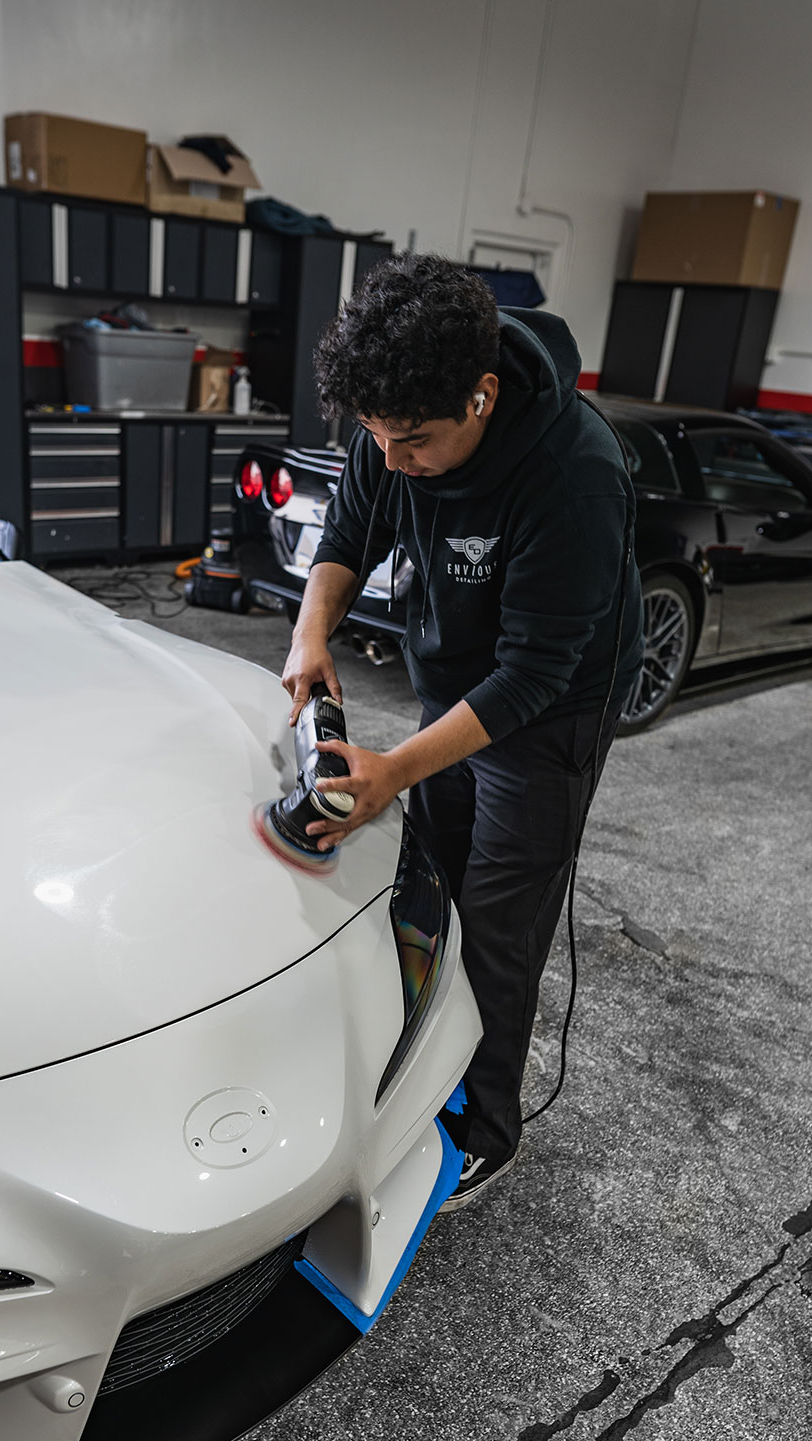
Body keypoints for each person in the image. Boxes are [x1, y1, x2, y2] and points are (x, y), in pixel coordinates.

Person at [280, 253, 644, 1211]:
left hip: (551, 705)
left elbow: (531, 675)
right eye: (374, 436)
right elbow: (348, 539)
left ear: (482, 398)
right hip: (457, 685)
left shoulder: (576, 475)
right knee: (429, 875)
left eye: (413, 442)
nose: (390, 458)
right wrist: (310, 633)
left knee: (495, 921)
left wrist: (394, 767)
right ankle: (414, 1071)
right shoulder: (393, 416)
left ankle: (485, 1129)